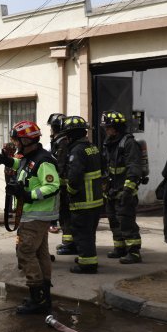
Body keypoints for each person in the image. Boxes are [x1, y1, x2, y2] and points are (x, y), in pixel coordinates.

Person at [0, 120, 59, 315]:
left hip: (36, 216)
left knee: (25, 252)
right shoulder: (30, 157)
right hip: (32, 215)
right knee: (40, 253)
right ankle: (43, 297)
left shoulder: (43, 160)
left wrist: (28, 195)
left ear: (26, 140)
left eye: (17, 140)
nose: (15, 144)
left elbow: (53, 186)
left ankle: (37, 298)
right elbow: (24, 167)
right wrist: (6, 161)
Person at [60, 116, 104, 274]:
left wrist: (69, 193)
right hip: (96, 201)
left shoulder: (77, 151)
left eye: (67, 135)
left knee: (82, 233)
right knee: (89, 233)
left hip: (83, 201)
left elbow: (74, 177)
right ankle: (87, 257)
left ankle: (87, 264)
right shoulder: (92, 147)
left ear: (71, 135)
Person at [100, 110, 144, 264]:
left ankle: (134, 252)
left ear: (116, 127)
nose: (106, 130)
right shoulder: (109, 142)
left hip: (125, 191)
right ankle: (120, 248)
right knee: (114, 221)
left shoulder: (128, 143)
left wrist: (128, 190)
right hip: (111, 190)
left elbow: (134, 167)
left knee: (126, 222)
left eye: (108, 127)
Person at [47, 113, 75, 254]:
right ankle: (68, 242)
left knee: (66, 214)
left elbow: (60, 163)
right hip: (63, 184)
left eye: (51, 127)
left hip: (64, 185)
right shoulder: (59, 140)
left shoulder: (62, 141)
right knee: (64, 214)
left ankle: (69, 244)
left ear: (55, 127)